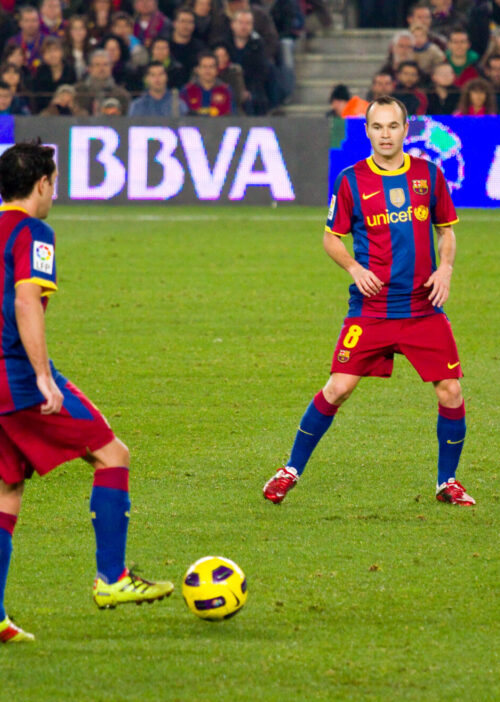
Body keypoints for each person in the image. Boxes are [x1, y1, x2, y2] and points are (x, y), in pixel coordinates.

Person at [0, 141, 174, 643]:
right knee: (112, 454)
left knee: (5, 491)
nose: (54, 194)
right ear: (42, 184)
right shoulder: (33, 231)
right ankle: (112, 578)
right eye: (54, 184)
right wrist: (41, 375)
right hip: (19, 379)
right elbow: (27, 301)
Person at [263, 96, 474, 508]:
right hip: (372, 308)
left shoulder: (429, 175)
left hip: (422, 308)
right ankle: (290, 470)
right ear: (367, 131)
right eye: (377, 127)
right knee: (338, 388)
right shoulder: (351, 180)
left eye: (393, 126)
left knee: (450, 391)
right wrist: (354, 268)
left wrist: (446, 268)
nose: (385, 134)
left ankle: (447, 482)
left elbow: (446, 230)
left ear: (406, 129)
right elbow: (331, 238)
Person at [180, 50, 231, 116]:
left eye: (211, 67)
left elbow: (232, 116)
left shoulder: (226, 90)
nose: (208, 70)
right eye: (204, 67)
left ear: (217, 70)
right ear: (197, 70)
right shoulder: (187, 90)